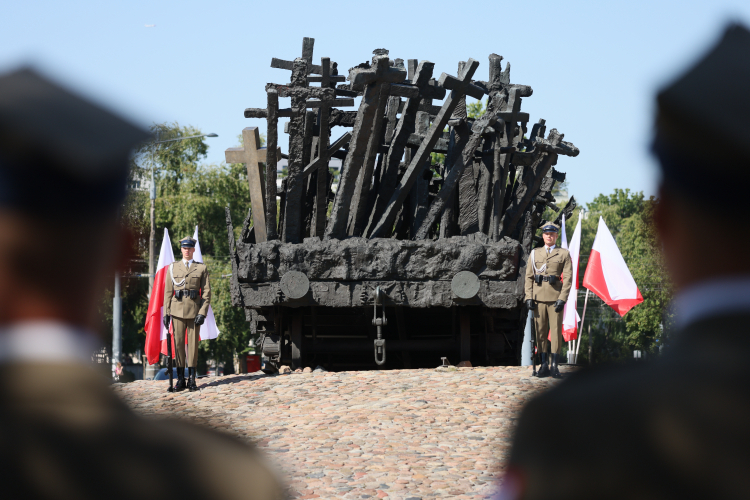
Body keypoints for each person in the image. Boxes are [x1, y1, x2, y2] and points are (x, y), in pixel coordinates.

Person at [0, 68, 284, 499]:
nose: (187, 254)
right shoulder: (218, 477)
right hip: (177, 312)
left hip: (190, 310)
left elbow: (204, 290)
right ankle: (181, 378)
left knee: (188, 351)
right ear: (120, 253)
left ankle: (187, 377)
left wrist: (202, 307)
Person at [502, 23, 750, 500]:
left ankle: (550, 362)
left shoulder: (578, 425)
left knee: (553, 333)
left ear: (663, 222)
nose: (550, 236)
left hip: (560, 307)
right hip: (542, 295)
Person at [524, 222, 573, 378]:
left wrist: (562, 299)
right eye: (546, 234)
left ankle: (554, 366)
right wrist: (529, 297)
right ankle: (543, 365)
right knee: (540, 332)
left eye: (552, 234)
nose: (549, 236)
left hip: (555, 298)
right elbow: (529, 277)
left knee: (556, 332)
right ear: (543, 236)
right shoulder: (535, 254)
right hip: (538, 298)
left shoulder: (563, 254)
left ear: (556, 236)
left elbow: (568, 278)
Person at [163, 236, 210, 392]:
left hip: (194, 311)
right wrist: (166, 313)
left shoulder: (201, 268)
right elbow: (168, 292)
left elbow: (207, 293)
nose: (187, 250)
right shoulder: (173, 268)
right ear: (181, 249)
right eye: (184, 248)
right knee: (178, 345)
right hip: (176, 311)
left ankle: (192, 380)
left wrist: (202, 313)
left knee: (193, 347)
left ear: (193, 250)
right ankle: (181, 379)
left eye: (190, 248)